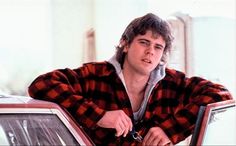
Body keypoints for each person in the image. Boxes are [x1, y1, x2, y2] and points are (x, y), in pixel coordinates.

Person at [28, 13, 232, 146]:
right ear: (125, 44)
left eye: (157, 47)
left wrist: (169, 130)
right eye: (144, 42)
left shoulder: (172, 83)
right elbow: (41, 85)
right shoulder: (96, 75)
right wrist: (99, 116)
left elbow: (221, 95)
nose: (150, 52)